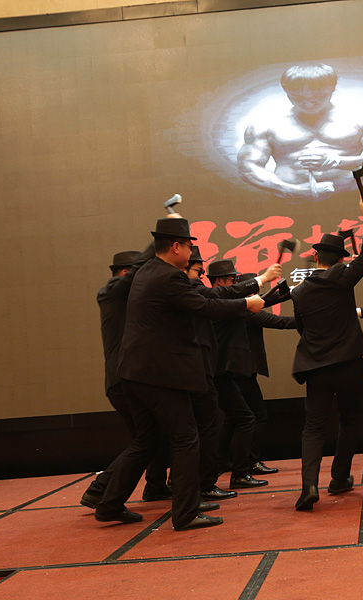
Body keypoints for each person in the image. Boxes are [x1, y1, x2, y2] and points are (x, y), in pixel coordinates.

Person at [94, 217, 265, 531]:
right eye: (188, 245)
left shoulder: (146, 271)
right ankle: (185, 513)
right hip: (160, 376)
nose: (191, 252)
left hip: (134, 373)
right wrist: (246, 304)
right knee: (186, 438)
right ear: (175, 247)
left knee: (146, 441)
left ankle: (109, 503)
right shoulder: (169, 277)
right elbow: (205, 307)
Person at [290, 194, 363, 510]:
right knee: (349, 421)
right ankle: (340, 478)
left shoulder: (299, 292)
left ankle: (308, 486)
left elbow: (301, 328)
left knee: (313, 428)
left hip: (316, 368)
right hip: (349, 366)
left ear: (316, 257)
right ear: (340, 259)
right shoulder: (342, 277)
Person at [182, 249, 281, 501]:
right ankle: (231, 474)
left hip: (215, 371)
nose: (199, 277)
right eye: (197, 271)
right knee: (240, 420)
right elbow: (237, 304)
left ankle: (216, 475)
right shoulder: (200, 294)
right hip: (215, 371)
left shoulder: (202, 296)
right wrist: (262, 280)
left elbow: (245, 304)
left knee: (230, 421)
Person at [80, 247, 170, 509]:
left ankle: (152, 486)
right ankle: (101, 491)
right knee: (147, 439)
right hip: (124, 381)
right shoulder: (112, 292)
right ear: (124, 273)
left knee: (152, 437)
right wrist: (161, 242)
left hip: (125, 380)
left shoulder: (126, 300)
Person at [238, 63, 363, 198]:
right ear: (286, 91)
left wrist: (338, 162)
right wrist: (290, 190)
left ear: (332, 88)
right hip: (289, 201)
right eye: (297, 98)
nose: (308, 103)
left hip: (351, 199)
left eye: (318, 96)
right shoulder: (265, 124)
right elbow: (248, 167)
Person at [207, 259, 281, 489]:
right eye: (233, 281)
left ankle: (228, 466)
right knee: (247, 418)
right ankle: (240, 471)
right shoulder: (221, 305)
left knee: (238, 418)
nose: (236, 285)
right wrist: (264, 279)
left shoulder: (223, 304)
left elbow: (258, 302)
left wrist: (292, 291)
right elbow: (254, 307)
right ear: (220, 282)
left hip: (223, 373)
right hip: (221, 373)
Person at [230, 272, 296, 476]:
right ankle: (250, 462)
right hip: (243, 373)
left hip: (236, 372)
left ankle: (232, 461)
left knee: (236, 420)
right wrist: (313, 317)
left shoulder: (235, 308)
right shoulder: (248, 314)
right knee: (257, 417)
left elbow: (269, 299)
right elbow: (283, 322)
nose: (260, 296)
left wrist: (294, 291)